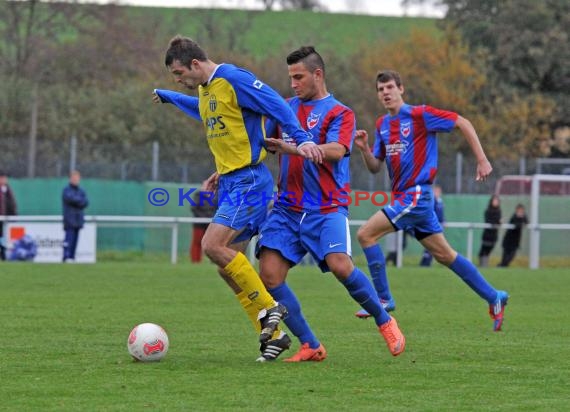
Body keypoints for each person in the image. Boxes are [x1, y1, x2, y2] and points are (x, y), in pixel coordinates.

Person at [152, 35, 323, 359]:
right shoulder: (205, 90)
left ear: (195, 64)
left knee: (212, 245)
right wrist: (170, 96)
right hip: (233, 182)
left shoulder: (232, 78)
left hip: (249, 183)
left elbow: (274, 102)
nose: (179, 80)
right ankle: (278, 337)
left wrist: (300, 139)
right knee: (225, 264)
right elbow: (201, 111)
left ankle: (271, 308)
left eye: (179, 74)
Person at [257, 46, 405, 362]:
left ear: (318, 74)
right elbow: (259, 144)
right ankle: (310, 344)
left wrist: (291, 149)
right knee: (269, 275)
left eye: (299, 77)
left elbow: (337, 150)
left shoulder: (341, 112)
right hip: (286, 209)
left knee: (340, 265)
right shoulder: (284, 108)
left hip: (326, 208)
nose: (293, 84)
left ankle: (384, 319)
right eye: (290, 78)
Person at [353, 70, 509, 332]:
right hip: (406, 198)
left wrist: (482, 159)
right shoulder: (382, 124)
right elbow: (374, 168)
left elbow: (463, 122)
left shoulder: (419, 115)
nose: (386, 93)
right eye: (381, 89)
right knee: (445, 255)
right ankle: (494, 297)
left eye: (390, 87)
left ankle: (383, 298)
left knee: (365, 234)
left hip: (416, 195)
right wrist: (365, 149)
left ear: (401, 89)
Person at [62, 170, 89, 262]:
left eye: (77, 178)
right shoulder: (66, 190)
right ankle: (66, 256)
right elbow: (71, 199)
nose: (76, 180)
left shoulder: (81, 190)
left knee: (75, 241)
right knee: (69, 239)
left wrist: (78, 201)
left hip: (78, 220)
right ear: (70, 179)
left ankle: (72, 257)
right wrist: (79, 201)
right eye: (74, 178)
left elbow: (85, 202)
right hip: (70, 220)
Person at [189, 180, 217, 263]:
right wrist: (204, 217)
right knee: (197, 243)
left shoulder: (216, 196)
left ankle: (214, 261)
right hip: (199, 224)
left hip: (211, 224)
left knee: (213, 243)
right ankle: (195, 261)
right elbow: (194, 208)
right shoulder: (198, 195)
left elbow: (218, 208)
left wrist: (211, 218)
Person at [419, 185, 445, 266]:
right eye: (436, 191)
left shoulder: (440, 201)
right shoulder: (431, 201)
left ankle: (426, 263)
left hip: (438, 226)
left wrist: (443, 221)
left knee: (434, 246)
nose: (437, 193)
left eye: (439, 192)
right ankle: (424, 263)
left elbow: (441, 214)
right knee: (430, 246)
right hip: (431, 226)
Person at [478, 194, 502, 267]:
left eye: (497, 201)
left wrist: (498, 222)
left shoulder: (499, 211)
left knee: (489, 251)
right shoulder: (487, 210)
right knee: (483, 250)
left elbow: (498, 221)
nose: (495, 202)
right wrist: (497, 222)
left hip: (494, 235)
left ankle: (485, 264)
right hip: (487, 235)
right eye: (494, 200)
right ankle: (482, 265)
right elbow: (489, 220)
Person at [0, 171, 18, 261]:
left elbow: (11, 203)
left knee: (3, 237)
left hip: (4, 218)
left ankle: (3, 255)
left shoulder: (7, 189)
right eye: (2, 178)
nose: (4, 180)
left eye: (5, 178)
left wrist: (13, 214)